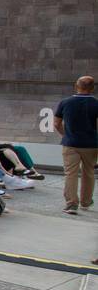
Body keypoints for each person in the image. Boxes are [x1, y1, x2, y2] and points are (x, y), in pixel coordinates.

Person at [55, 75, 98, 215]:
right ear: (92, 88)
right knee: (89, 173)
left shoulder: (65, 102)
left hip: (71, 143)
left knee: (70, 174)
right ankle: (86, 202)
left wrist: (65, 135)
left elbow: (57, 123)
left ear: (76, 86)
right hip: (91, 144)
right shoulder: (96, 103)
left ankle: (71, 204)